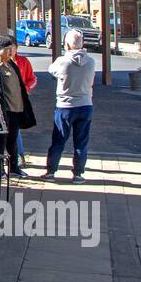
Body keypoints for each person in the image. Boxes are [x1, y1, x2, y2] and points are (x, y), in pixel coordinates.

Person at [0, 36, 36, 178]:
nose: (10, 51)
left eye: (11, 48)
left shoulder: (12, 64)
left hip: (16, 109)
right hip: (2, 110)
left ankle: (14, 167)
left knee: (13, 139)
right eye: (7, 49)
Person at [45, 30, 96, 183]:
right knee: (81, 142)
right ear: (82, 44)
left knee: (59, 140)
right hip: (86, 104)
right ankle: (78, 174)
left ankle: (51, 171)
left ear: (66, 45)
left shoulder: (62, 61)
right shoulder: (91, 61)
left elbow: (51, 71)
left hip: (65, 106)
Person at [13, 50, 38, 167]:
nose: (10, 51)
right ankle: (11, 156)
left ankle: (19, 155)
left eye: (12, 48)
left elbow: (32, 78)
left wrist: (26, 89)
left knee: (15, 127)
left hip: (19, 100)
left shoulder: (22, 61)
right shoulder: (1, 63)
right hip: (5, 100)